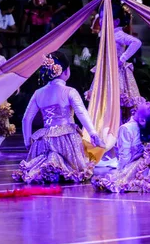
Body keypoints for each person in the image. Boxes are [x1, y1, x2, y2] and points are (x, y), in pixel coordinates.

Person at [12, 51, 102, 183]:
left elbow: (26, 119)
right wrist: (93, 134)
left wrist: (27, 142)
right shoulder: (70, 91)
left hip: (44, 141)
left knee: (44, 160)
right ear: (66, 71)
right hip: (67, 141)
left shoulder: (38, 93)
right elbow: (81, 112)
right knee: (75, 169)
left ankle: (49, 166)